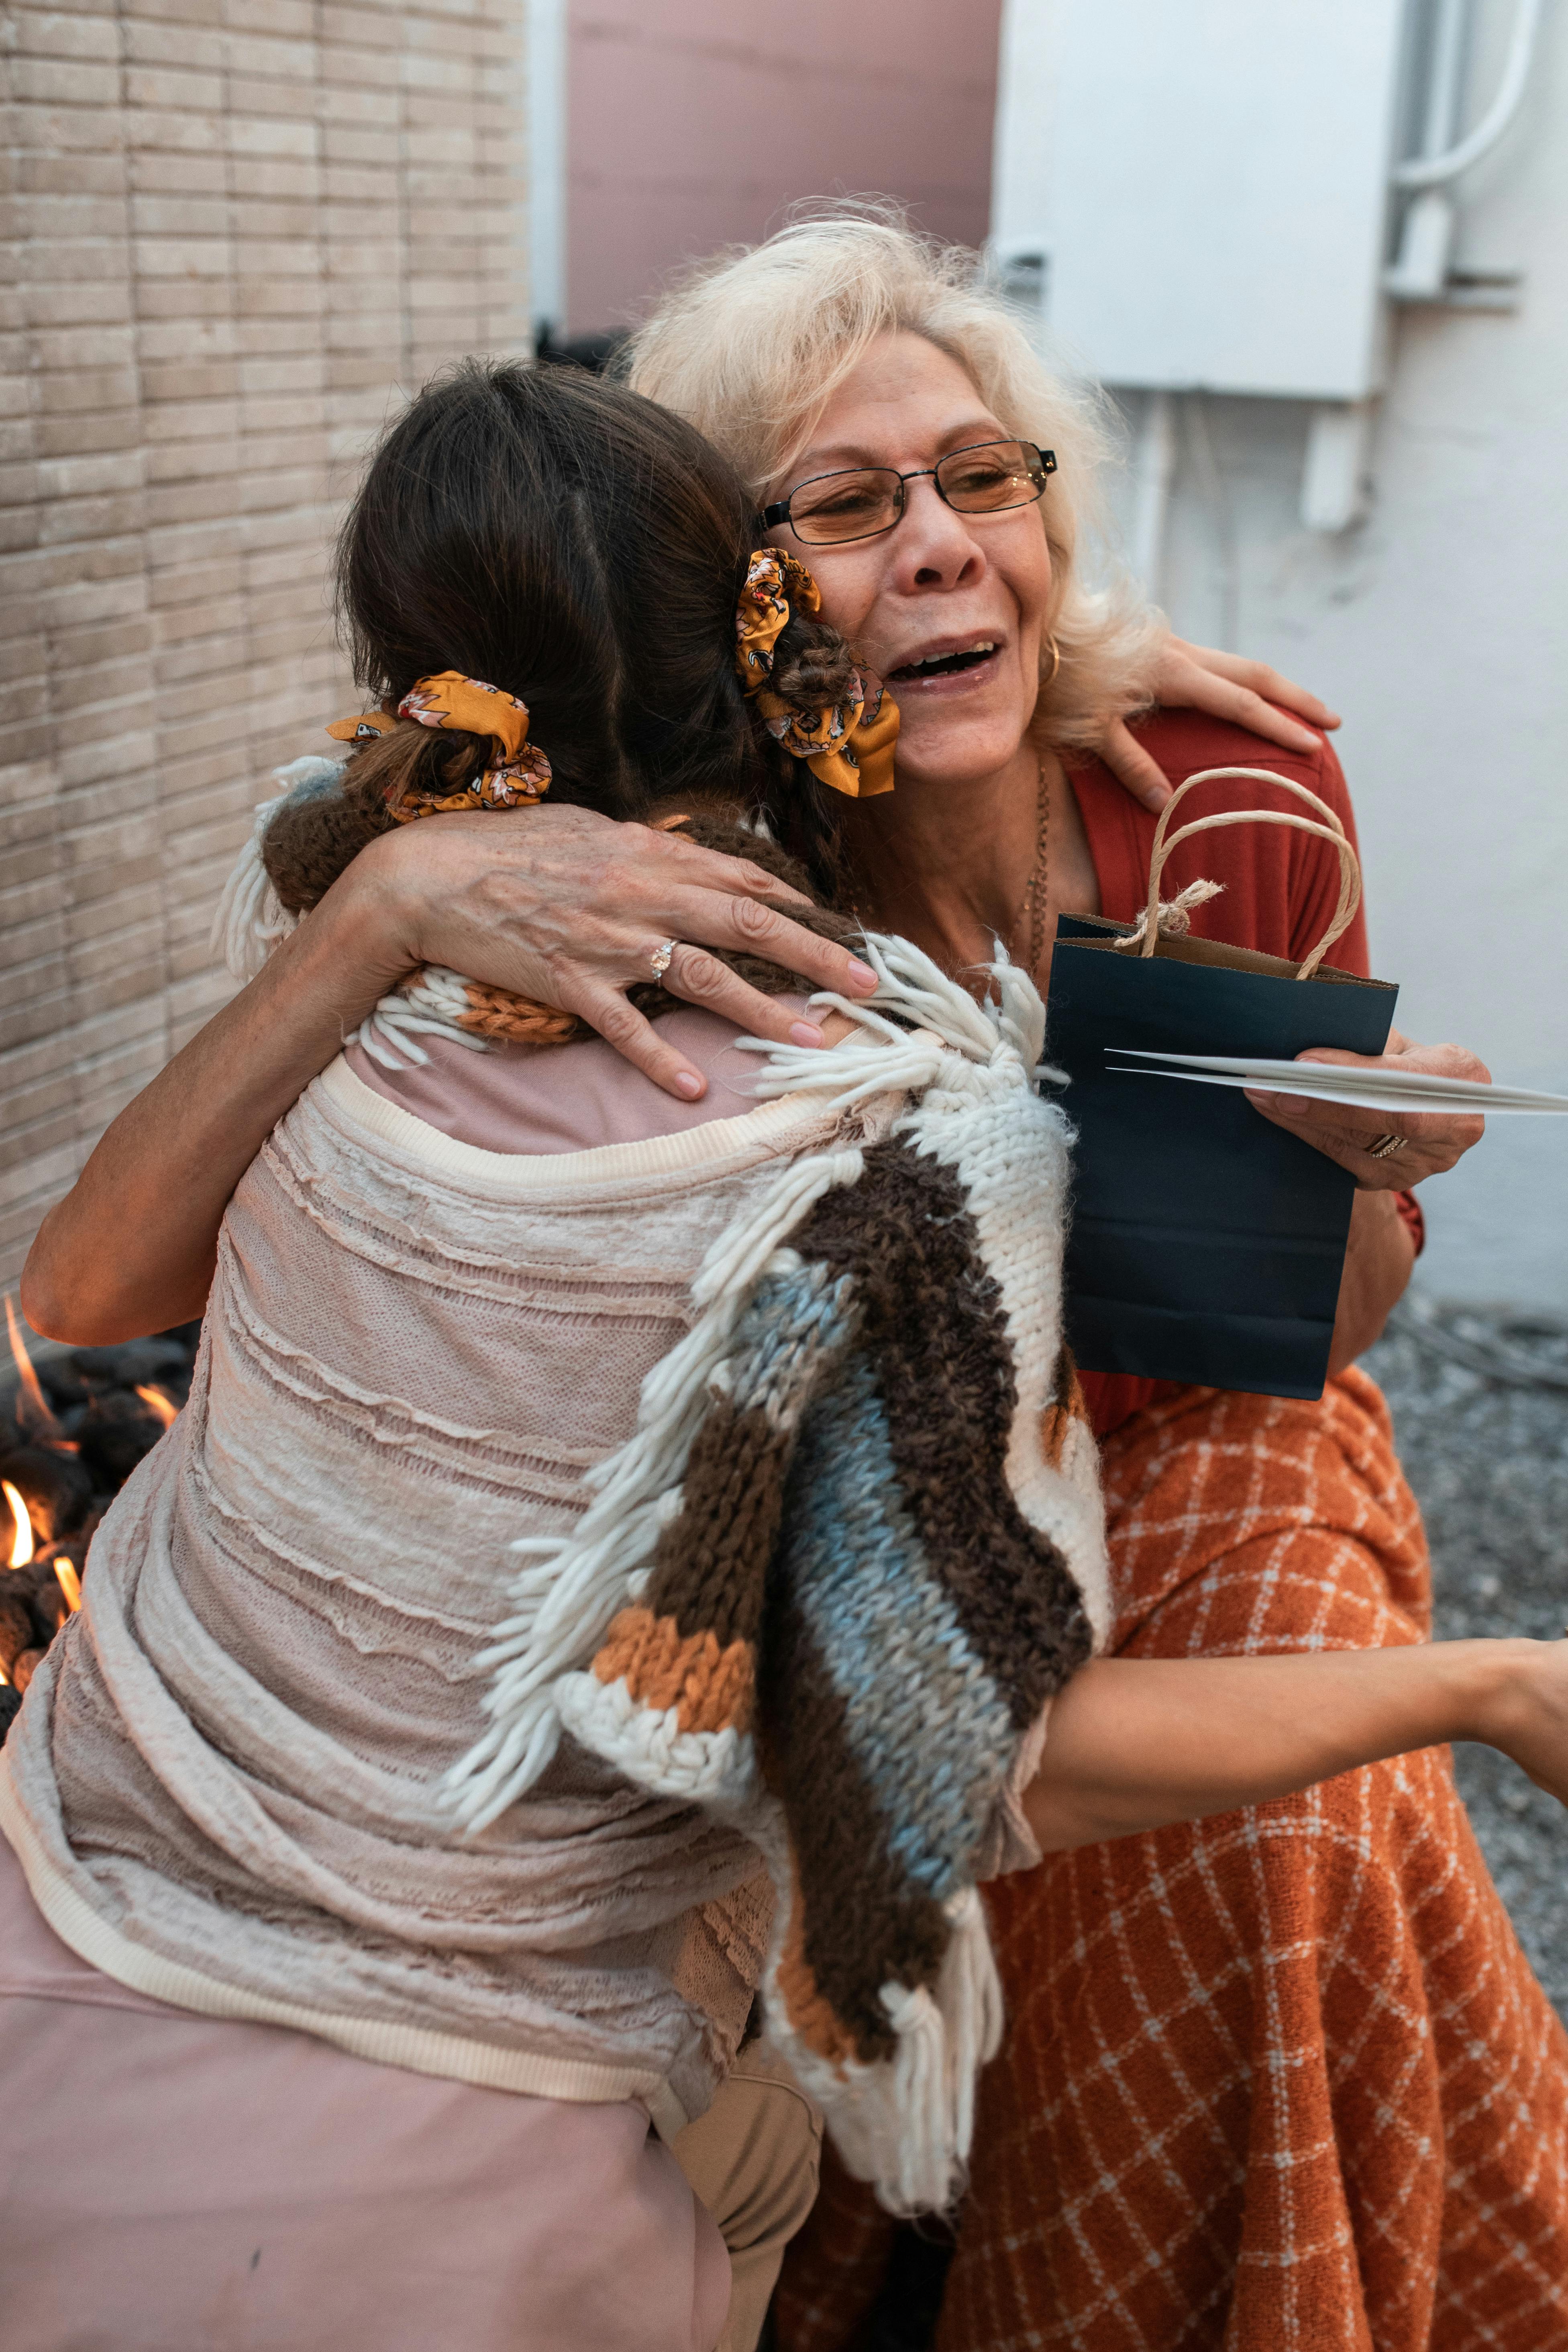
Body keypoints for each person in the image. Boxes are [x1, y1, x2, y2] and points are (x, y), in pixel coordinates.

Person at [18, 227, 1567, 2348]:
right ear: (718, 612)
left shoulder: (1214, 792)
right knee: (1157, 1790)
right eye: (844, 506)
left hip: (1193, 1432)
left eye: (982, 481)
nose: (938, 547)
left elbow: (1319, 1335)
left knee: (1304, 1819)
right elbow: (337, 849)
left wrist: (1361, 1189)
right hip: (884, 1528)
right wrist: (394, 885)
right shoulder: (666, 873)